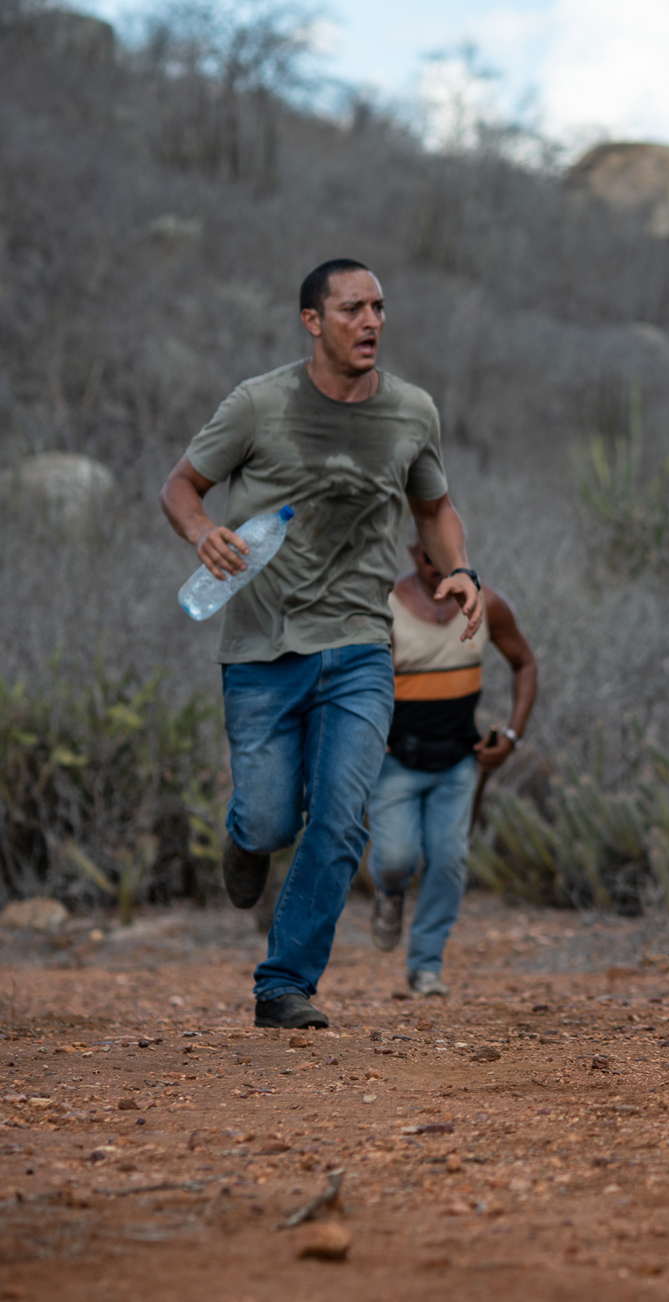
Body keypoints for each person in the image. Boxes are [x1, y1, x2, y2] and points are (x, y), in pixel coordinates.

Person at [159, 259, 483, 1030]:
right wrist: (203, 534)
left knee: (341, 818)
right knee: (272, 821)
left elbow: (434, 508)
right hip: (262, 650)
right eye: (351, 310)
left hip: (360, 648)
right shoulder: (257, 405)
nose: (370, 322)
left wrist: (461, 567)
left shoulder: (411, 411)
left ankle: (285, 985)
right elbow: (180, 487)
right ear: (313, 321)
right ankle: (247, 841)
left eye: (378, 308)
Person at [368, 535, 537, 996]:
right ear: (412, 554)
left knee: (448, 860)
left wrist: (512, 736)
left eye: (446, 558)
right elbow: (355, 676)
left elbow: (524, 662)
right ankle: (389, 891)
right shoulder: (386, 606)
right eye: (428, 557)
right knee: (396, 856)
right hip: (396, 759)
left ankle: (425, 966)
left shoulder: (488, 606)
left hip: (460, 760)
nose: (436, 566)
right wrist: (365, 734)